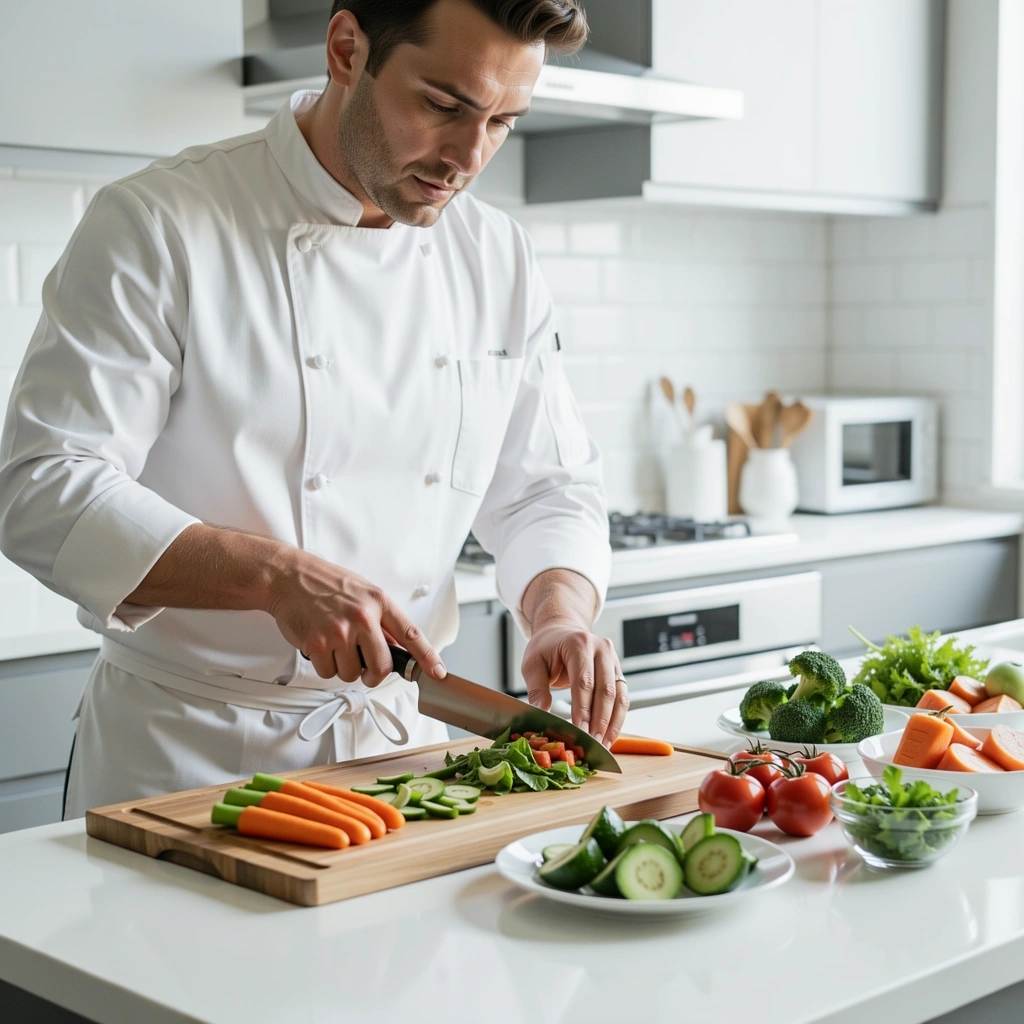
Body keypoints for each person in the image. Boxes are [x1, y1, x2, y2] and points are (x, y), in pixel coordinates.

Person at [0, 0, 627, 819]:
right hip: (187, 759)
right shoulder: (159, 223)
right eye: (444, 106)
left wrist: (558, 614)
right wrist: (275, 577)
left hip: (402, 758)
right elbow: (43, 487)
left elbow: (546, 486)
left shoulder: (495, 256)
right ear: (345, 48)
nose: (469, 157)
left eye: (505, 121)